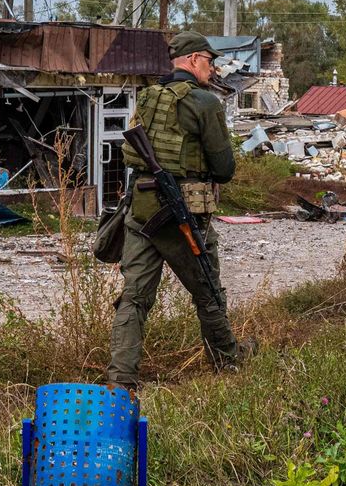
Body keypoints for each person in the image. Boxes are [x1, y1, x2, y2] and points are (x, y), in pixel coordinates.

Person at [105, 31, 252, 388]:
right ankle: (227, 360)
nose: (213, 67)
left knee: (135, 297)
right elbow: (224, 169)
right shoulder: (204, 102)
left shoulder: (149, 97)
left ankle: (120, 382)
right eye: (209, 60)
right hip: (180, 211)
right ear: (191, 60)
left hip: (140, 210)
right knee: (207, 290)